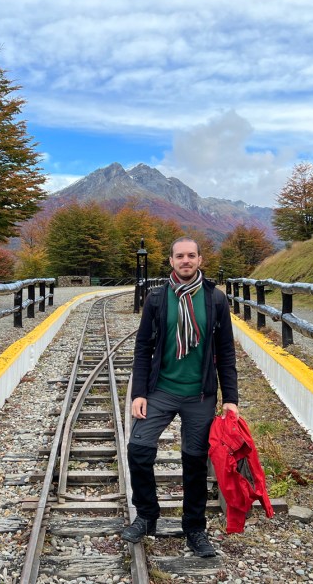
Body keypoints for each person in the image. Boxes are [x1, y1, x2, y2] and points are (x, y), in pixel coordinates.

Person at [122, 236, 239, 558]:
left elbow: (226, 351)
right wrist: (139, 393)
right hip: (161, 390)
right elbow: (143, 347)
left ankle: (195, 528)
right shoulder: (157, 298)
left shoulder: (215, 300)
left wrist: (231, 398)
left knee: (194, 462)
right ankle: (147, 516)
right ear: (171, 261)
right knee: (139, 449)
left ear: (200, 259)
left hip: (199, 395)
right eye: (179, 256)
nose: (185, 261)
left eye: (191, 256)